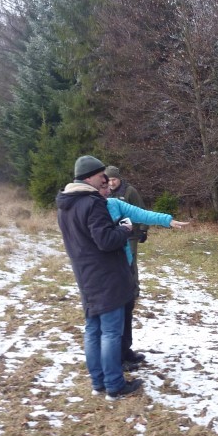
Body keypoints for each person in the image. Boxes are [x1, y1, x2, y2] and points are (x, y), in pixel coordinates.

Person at [56, 156, 142, 401]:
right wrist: (124, 229)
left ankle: (99, 383)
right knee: (111, 332)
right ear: (88, 177)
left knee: (93, 330)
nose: (105, 179)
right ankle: (114, 385)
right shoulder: (92, 203)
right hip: (106, 276)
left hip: (85, 275)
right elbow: (105, 240)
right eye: (101, 175)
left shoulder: (66, 204)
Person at [104, 165, 150, 369]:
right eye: (109, 180)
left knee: (131, 261)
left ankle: (134, 287)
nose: (112, 183)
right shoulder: (106, 194)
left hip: (131, 234)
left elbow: (141, 209)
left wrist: (144, 230)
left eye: (114, 179)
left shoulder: (129, 191)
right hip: (115, 235)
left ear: (119, 179)